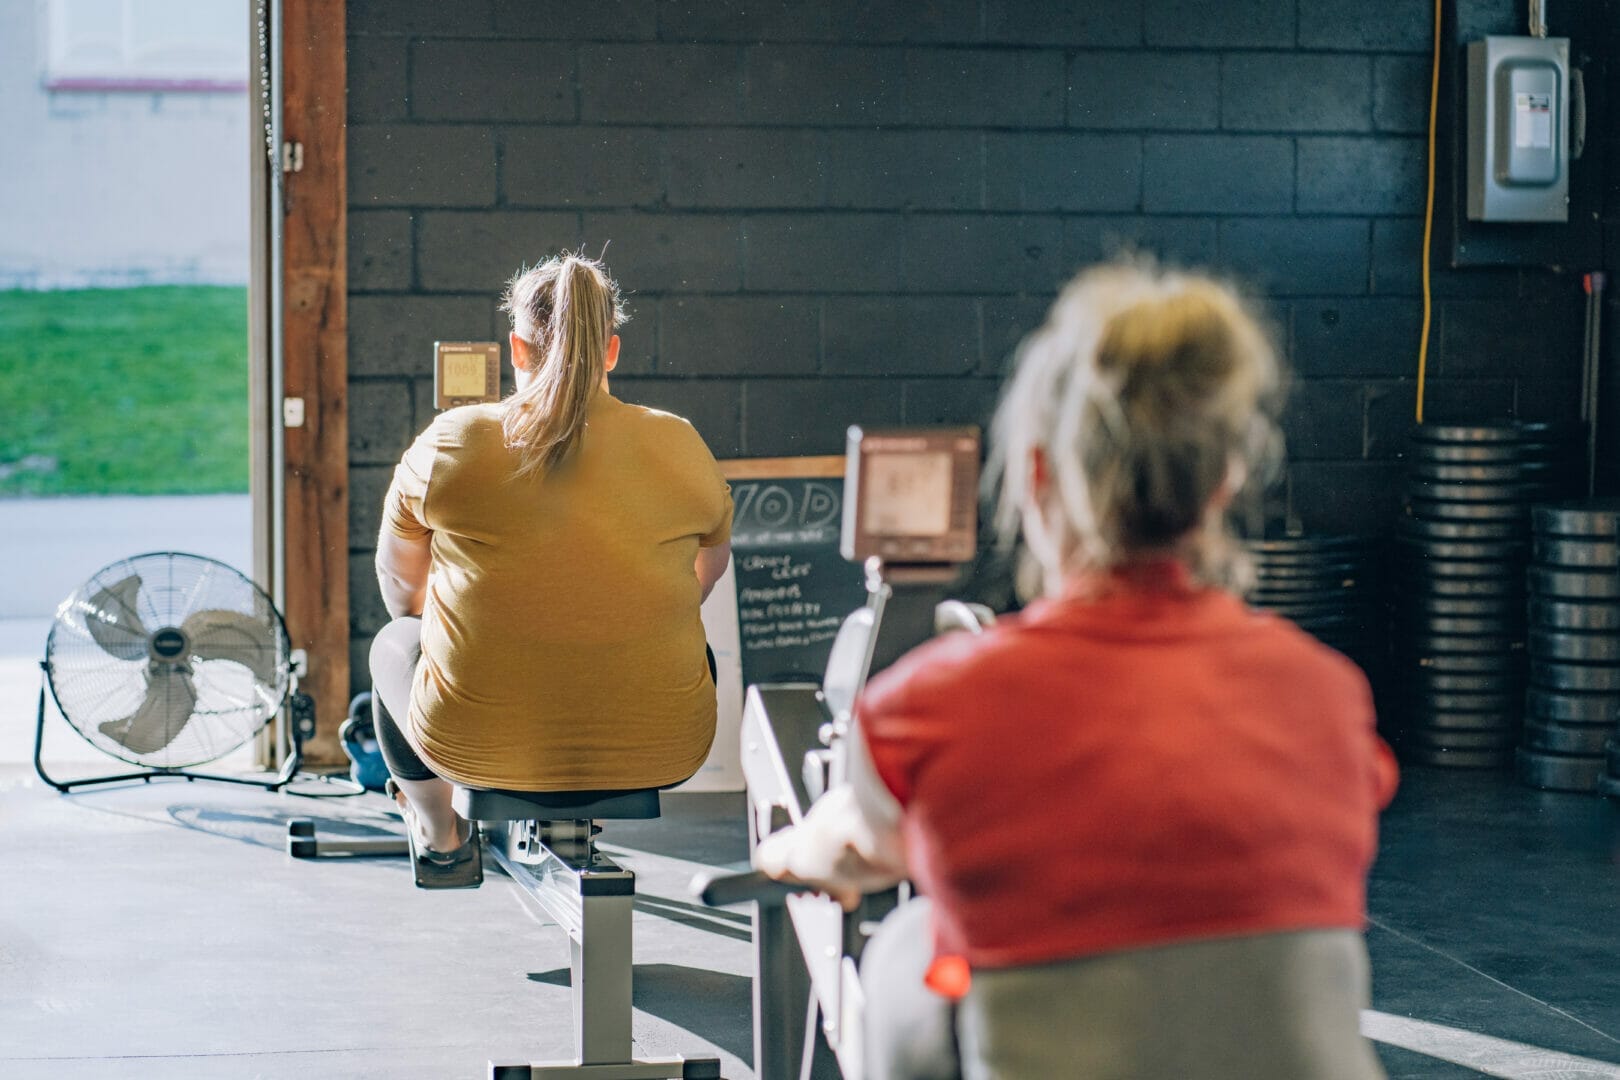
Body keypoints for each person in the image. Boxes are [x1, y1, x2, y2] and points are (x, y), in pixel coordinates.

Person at [755, 260, 1398, 1079]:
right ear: (1224, 482)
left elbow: (861, 850)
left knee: (903, 959)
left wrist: (802, 847)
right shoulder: (1331, 697)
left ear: (1037, 478)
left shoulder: (927, 708)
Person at [370, 252, 733, 883]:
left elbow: (402, 590)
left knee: (395, 644)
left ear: (516, 347)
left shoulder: (452, 441)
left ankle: (439, 834)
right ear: (611, 351)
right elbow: (703, 577)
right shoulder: (681, 442)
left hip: (474, 741)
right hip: (667, 743)